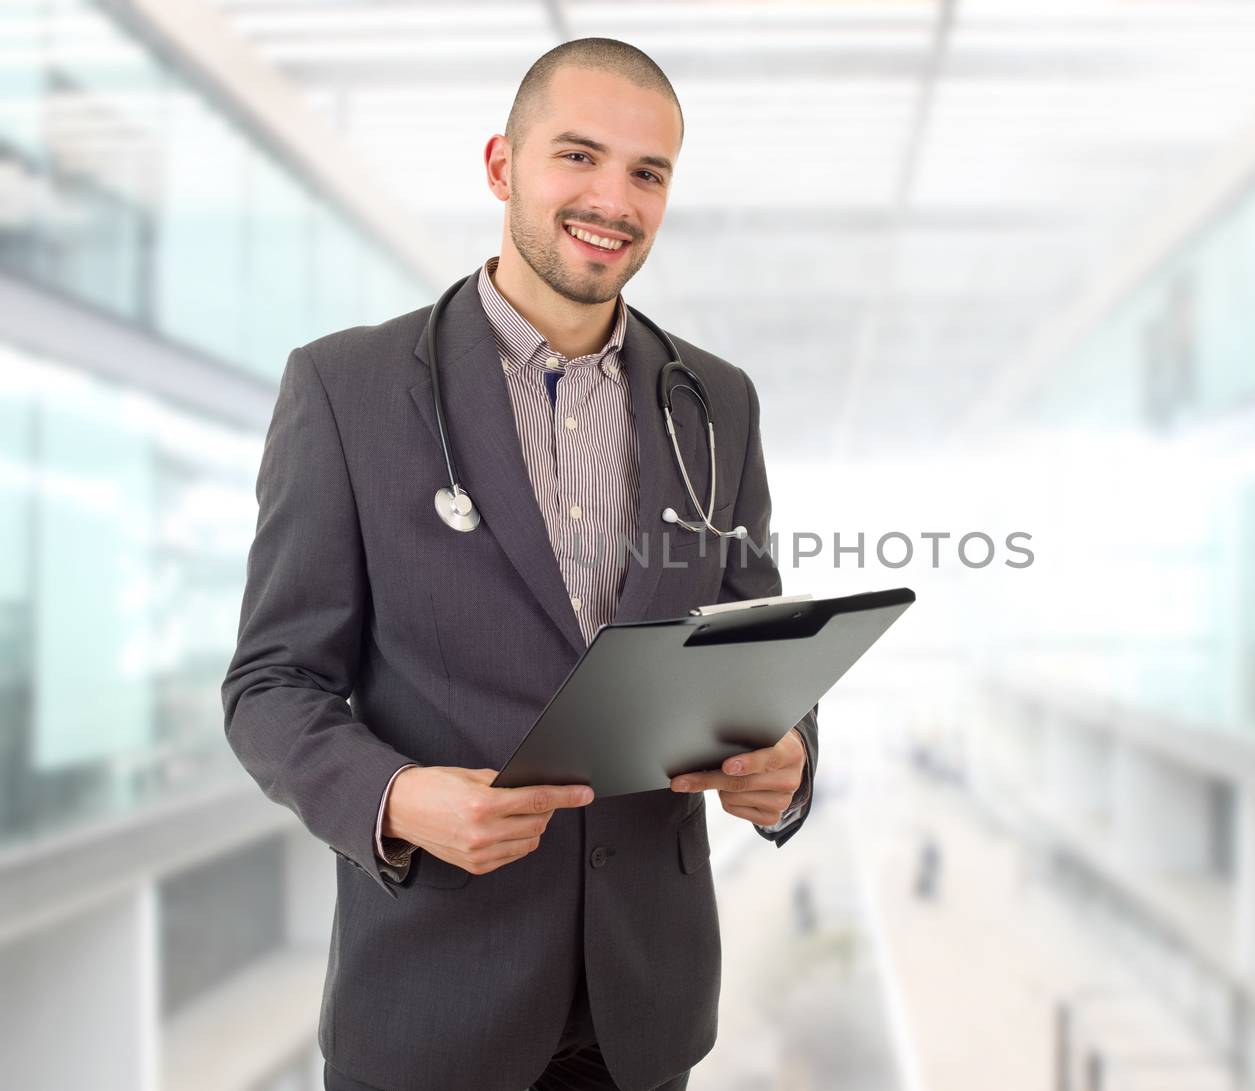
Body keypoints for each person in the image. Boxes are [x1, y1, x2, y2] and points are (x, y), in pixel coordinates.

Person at [221, 38, 818, 1091]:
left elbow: (747, 633)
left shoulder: (714, 400)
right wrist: (396, 797)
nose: (612, 199)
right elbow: (272, 684)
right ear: (502, 166)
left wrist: (789, 757)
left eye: (648, 172)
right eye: (577, 156)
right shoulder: (347, 389)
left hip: (644, 1005)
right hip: (433, 998)